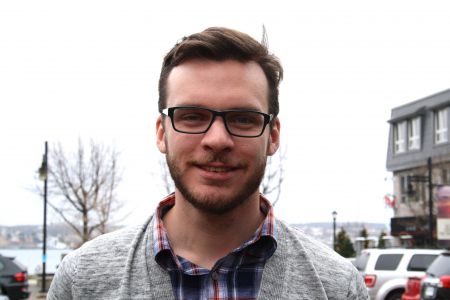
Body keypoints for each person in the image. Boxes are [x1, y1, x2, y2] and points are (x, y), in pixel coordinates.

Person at [47, 27, 368, 299]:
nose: (217, 139)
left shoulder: (337, 286)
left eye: (243, 119)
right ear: (162, 133)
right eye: (191, 117)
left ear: (272, 136)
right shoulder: (82, 282)